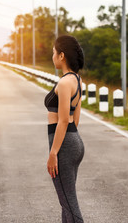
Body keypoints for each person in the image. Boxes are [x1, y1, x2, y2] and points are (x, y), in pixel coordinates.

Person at [44, 35, 85, 223]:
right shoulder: (76, 80)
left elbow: (62, 121)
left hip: (63, 146)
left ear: (61, 56)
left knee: (68, 203)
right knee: (67, 202)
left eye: (53, 53)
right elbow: (74, 118)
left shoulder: (64, 83)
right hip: (74, 141)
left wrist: (54, 153)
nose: (52, 56)